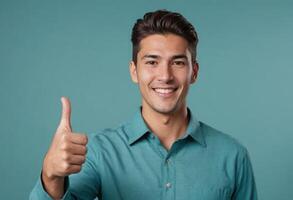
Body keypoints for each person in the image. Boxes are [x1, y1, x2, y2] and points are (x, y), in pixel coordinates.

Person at [30, 9, 257, 200]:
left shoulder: (233, 156)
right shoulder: (100, 152)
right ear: (134, 71)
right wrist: (51, 175)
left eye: (177, 62)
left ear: (194, 72)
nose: (165, 76)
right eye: (152, 62)